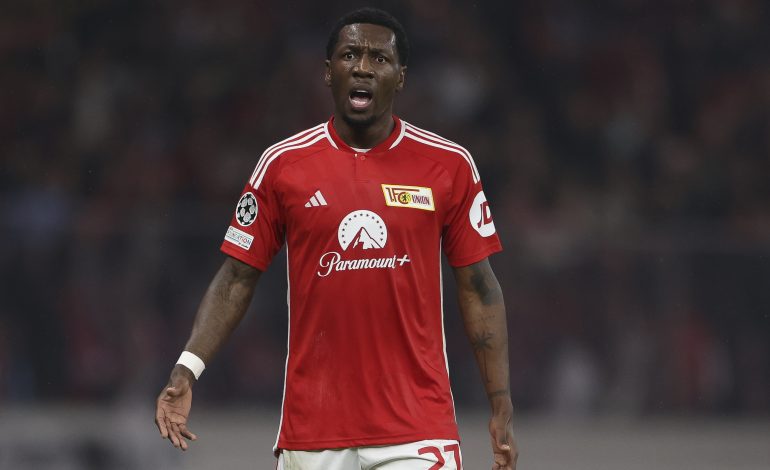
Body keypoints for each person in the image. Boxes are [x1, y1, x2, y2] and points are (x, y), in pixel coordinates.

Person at [155, 7, 518, 470]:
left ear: (401, 77)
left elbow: (480, 288)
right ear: (329, 72)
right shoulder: (283, 166)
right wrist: (187, 369)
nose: (363, 67)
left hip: (416, 430)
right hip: (313, 434)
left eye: (379, 58)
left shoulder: (448, 166)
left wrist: (501, 404)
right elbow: (236, 278)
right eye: (350, 55)